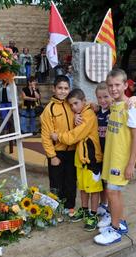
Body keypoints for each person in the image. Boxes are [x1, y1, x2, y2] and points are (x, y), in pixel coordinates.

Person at [94, 69, 136, 245]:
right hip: (112, 157)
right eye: (110, 85)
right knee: (115, 193)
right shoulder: (115, 104)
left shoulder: (131, 106)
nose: (113, 89)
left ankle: (114, 230)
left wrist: (131, 164)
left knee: (112, 193)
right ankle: (120, 222)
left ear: (125, 85)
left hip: (121, 160)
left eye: (117, 85)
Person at [50, 88, 103, 231]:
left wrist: (58, 136)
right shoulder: (81, 114)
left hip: (91, 160)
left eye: (76, 103)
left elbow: (75, 135)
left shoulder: (89, 114)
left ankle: (93, 214)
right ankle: (85, 210)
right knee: (83, 188)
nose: (73, 107)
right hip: (81, 158)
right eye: (71, 105)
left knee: (93, 189)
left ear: (84, 101)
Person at [40, 75, 76, 216]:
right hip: (57, 153)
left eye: (66, 88)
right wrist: (52, 155)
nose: (63, 91)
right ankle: (58, 208)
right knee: (56, 183)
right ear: (54, 89)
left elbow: (84, 108)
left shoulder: (71, 104)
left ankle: (70, 206)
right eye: (60, 88)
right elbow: (46, 136)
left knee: (71, 181)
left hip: (72, 152)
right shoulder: (49, 110)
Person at [94, 82, 112, 217]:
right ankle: (103, 203)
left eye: (106, 97)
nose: (102, 100)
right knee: (101, 181)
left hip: (110, 154)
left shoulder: (114, 112)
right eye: (99, 98)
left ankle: (111, 211)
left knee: (110, 184)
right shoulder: (96, 112)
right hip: (99, 153)